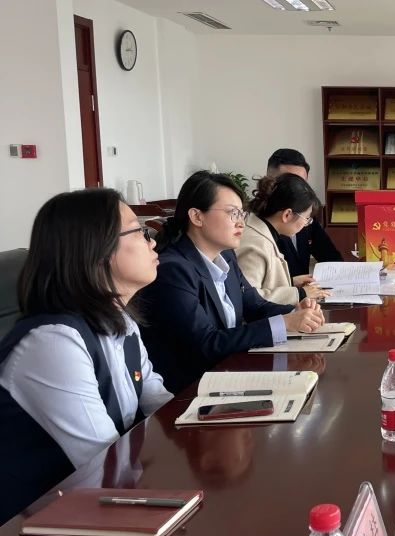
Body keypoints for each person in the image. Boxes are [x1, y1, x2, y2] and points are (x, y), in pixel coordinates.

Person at [0, 189, 173, 523]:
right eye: (140, 231)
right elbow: (104, 459)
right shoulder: (53, 342)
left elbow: (157, 401)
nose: (153, 241)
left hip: (93, 507)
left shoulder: (121, 322)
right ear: (98, 249)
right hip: (32, 528)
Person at [136, 171, 324, 393]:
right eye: (232, 213)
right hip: (191, 390)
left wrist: (295, 312)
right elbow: (206, 343)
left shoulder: (225, 255)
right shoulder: (173, 270)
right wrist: (284, 323)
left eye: (242, 214)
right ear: (197, 217)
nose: (241, 223)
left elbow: (254, 305)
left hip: (229, 373)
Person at [237, 173, 330, 305]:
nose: (306, 224)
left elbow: (261, 284)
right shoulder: (255, 243)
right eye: (307, 218)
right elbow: (247, 298)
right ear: (287, 215)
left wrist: (291, 282)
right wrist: (300, 293)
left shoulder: (261, 230)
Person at [266, 148, 343, 276]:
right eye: (289, 183)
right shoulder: (261, 226)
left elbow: (331, 258)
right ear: (269, 180)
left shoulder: (306, 216)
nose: (297, 190)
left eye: (302, 184)